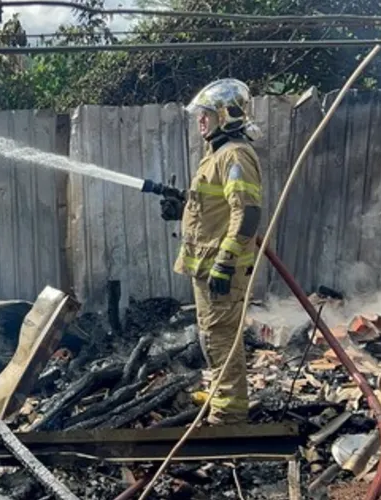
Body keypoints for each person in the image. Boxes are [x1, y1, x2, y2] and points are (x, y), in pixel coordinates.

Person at [160, 78, 264, 425]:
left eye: (205, 114)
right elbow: (215, 207)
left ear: (226, 115)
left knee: (220, 339)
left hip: (221, 269)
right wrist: (183, 206)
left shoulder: (234, 153)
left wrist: (225, 262)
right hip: (206, 267)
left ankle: (229, 417)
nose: (200, 121)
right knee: (212, 337)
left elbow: (246, 211)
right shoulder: (216, 155)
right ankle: (223, 399)